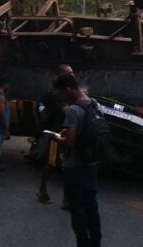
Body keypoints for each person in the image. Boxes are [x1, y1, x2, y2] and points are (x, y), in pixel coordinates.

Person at [53, 73, 102, 247]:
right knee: (92, 207)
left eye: (62, 93)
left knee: (77, 210)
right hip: (91, 163)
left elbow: (71, 142)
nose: (62, 97)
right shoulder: (95, 104)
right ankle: (95, 242)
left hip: (74, 166)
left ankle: (83, 243)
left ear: (68, 89)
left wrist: (58, 138)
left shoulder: (73, 110)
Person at [37, 64, 74, 204]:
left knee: (65, 164)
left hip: (64, 131)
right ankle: (42, 190)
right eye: (68, 73)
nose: (72, 75)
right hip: (56, 133)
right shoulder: (57, 94)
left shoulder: (63, 92)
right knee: (52, 163)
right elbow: (67, 111)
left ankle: (65, 198)